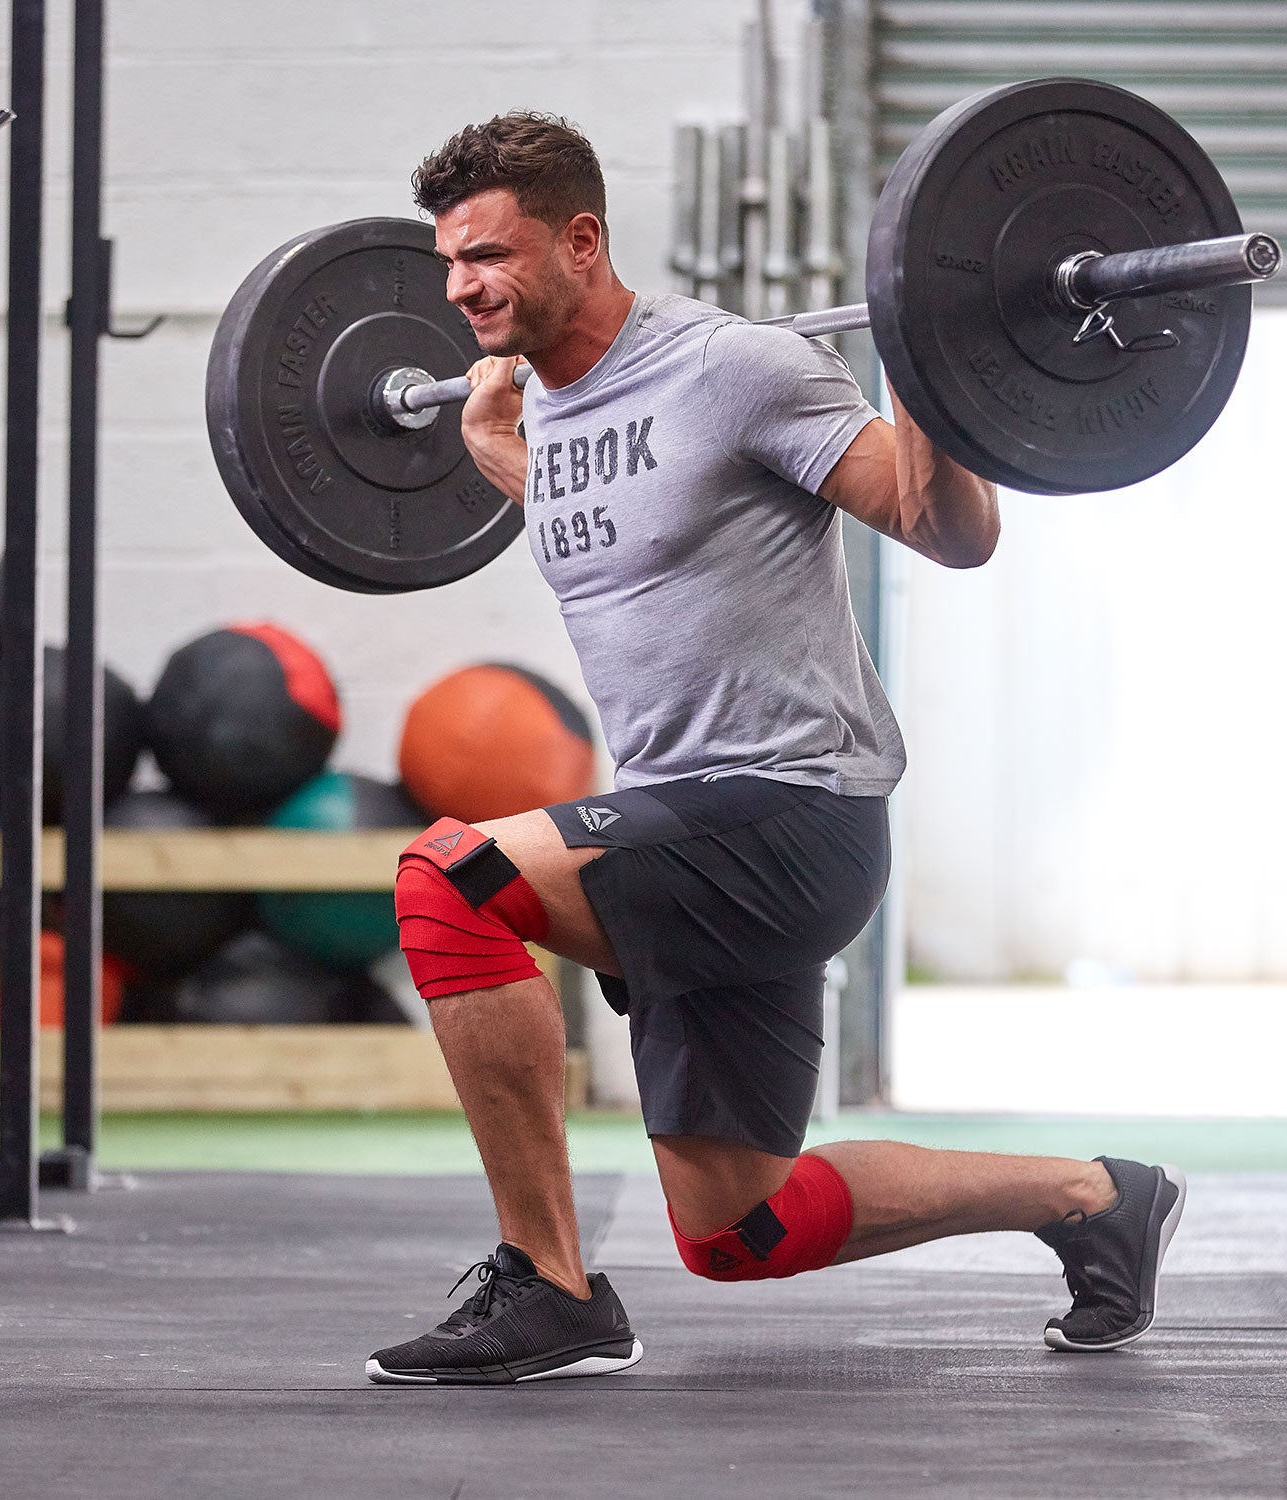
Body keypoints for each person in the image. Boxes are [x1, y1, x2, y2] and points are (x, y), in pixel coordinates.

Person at [365, 112, 1185, 1387]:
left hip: (792, 811)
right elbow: (641, 535)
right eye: (449, 264)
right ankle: (1096, 1197)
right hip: (688, 822)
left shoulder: (739, 368)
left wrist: (930, 368)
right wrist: (499, 455)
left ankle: (550, 1286)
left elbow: (950, 532)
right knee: (740, 1229)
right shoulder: (545, 408)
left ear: (581, 241)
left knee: (450, 881)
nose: (462, 288)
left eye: (489, 255)